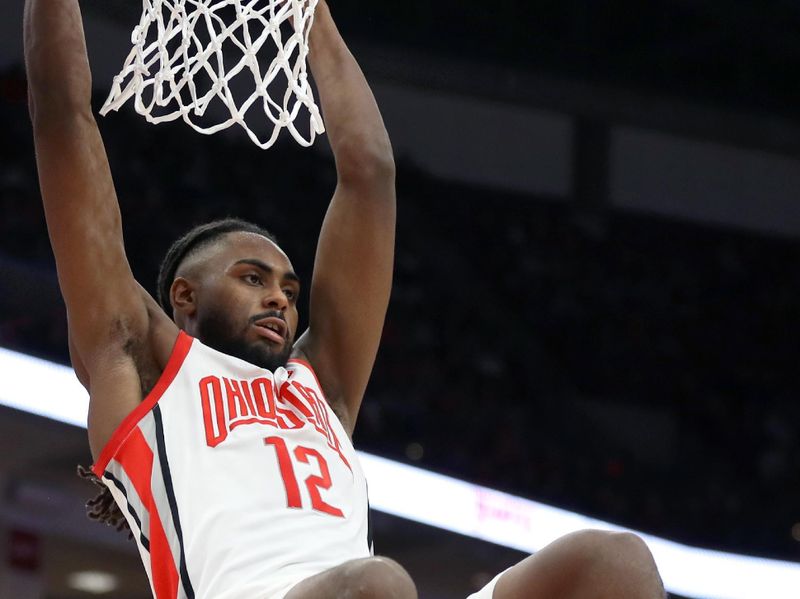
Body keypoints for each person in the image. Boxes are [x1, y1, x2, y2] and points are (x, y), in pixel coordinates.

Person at [24, 0, 665, 597]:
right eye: (253, 278)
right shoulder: (138, 362)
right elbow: (61, 111)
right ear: (185, 295)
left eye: (290, 289)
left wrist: (312, 17)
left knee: (611, 562)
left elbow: (369, 175)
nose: (279, 298)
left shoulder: (319, 387)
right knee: (378, 583)